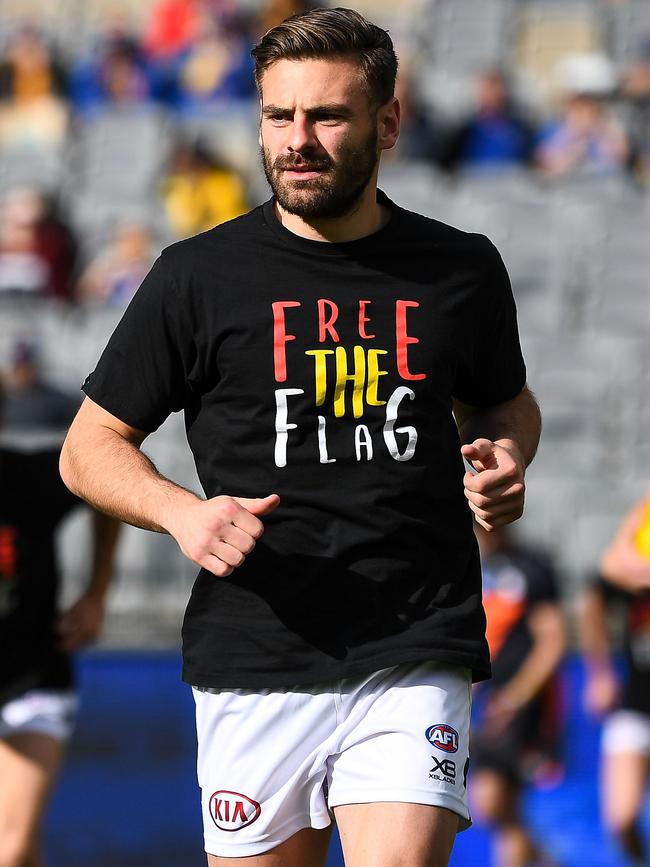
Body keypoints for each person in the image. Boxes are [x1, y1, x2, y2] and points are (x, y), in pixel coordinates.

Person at [59, 8, 541, 867]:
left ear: (388, 122)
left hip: (414, 639)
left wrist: (507, 455)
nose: (299, 140)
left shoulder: (461, 268)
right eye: (279, 117)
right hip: (256, 647)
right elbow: (88, 446)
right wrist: (182, 514)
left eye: (327, 116)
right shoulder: (196, 277)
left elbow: (508, 405)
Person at [0, 382, 121, 867]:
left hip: (31, 680)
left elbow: (103, 474)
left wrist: (96, 592)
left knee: (8, 847)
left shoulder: (25, 478)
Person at [470, 523, 566, 867]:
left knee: (495, 800)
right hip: (492, 700)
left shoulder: (531, 568)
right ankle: (541, 859)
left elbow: (553, 641)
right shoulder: (481, 569)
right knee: (492, 807)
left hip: (522, 704)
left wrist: (516, 698)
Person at [580, 494, 650, 866]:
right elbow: (600, 584)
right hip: (637, 703)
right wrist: (600, 672)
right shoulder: (636, 553)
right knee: (621, 819)